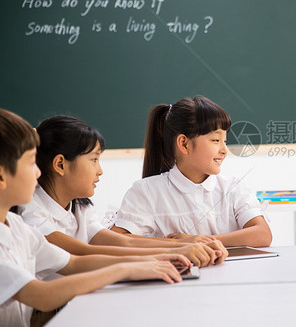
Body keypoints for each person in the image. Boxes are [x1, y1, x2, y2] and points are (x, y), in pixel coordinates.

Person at [0, 109, 190, 327]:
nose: (37, 172)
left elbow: (73, 262)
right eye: (30, 163)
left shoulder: (16, 227)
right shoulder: (28, 216)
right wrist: (129, 267)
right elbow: (42, 294)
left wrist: (155, 259)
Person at [19, 115, 227, 269]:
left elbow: (124, 241)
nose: (100, 170)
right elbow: (84, 251)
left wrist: (182, 243)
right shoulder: (31, 213)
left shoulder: (78, 206)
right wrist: (174, 250)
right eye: (93, 160)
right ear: (60, 165)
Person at [112, 96, 272, 247]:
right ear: (184, 144)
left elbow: (262, 234)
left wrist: (202, 242)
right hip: (177, 275)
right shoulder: (146, 191)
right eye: (216, 140)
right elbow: (116, 239)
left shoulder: (233, 187)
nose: (224, 150)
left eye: (225, 141)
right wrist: (177, 245)